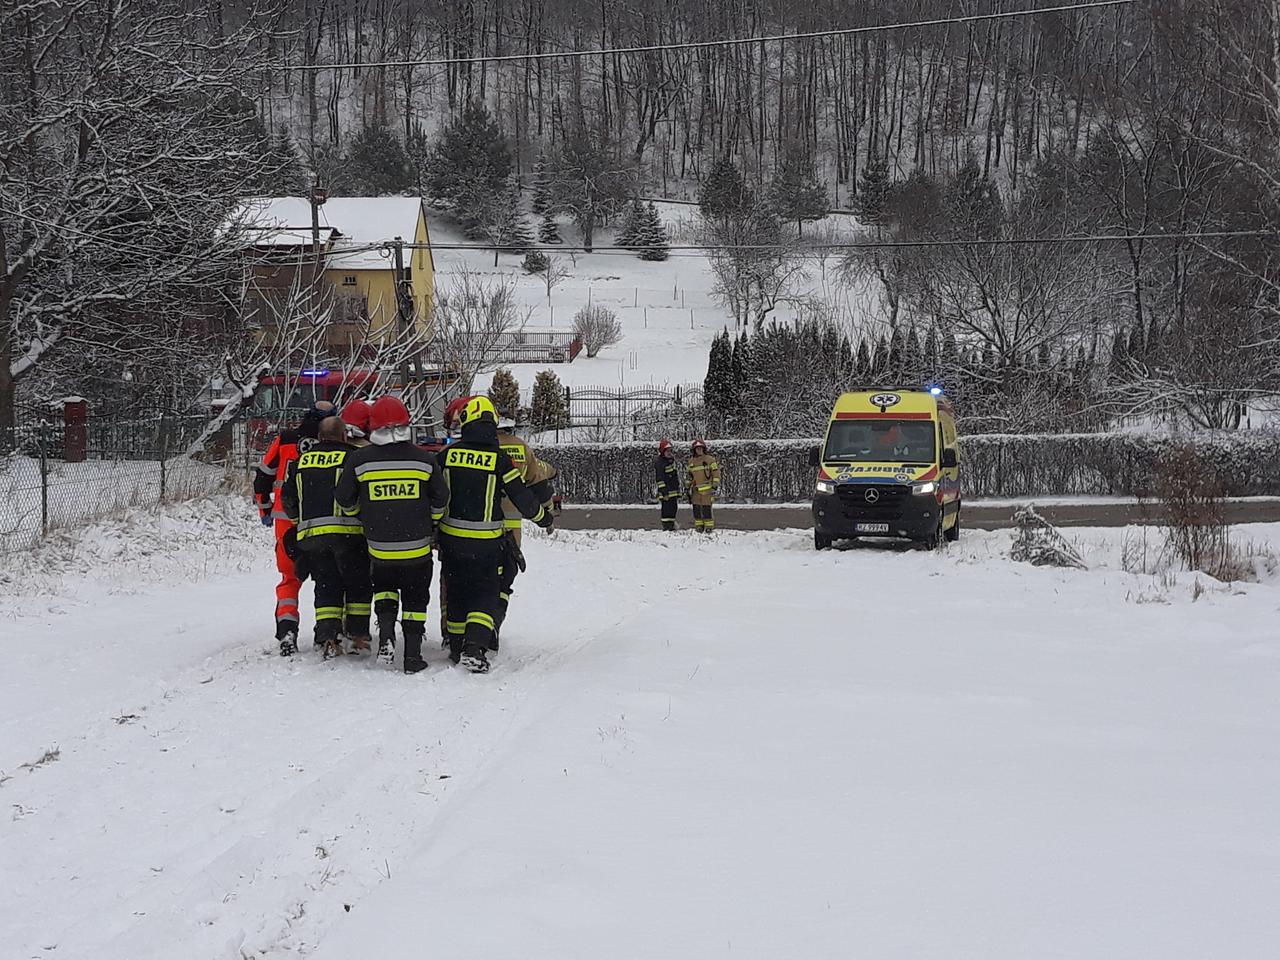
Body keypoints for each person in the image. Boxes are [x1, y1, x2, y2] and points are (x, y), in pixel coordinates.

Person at [437, 395, 553, 674]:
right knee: (485, 593)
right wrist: (543, 517)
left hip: (451, 541)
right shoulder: (499, 460)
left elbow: (433, 492)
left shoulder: (446, 456)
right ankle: (474, 648)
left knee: (456, 591)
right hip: (486, 543)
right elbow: (522, 497)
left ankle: (455, 645)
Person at [336, 396, 448, 674]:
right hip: (418, 548)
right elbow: (441, 498)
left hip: (379, 548)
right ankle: (412, 655)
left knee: (384, 591)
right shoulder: (424, 460)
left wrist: (363, 516)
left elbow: (344, 498)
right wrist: (430, 522)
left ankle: (386, 638)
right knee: (415, 598)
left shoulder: (359, 460)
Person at [281, 416, 371, 658]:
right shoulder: (354, 457)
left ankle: (328, 637)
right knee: (357, 585)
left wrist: (299, 523)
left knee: (326, 586)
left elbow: (288, 497)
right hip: (350, 534)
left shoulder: (301, 461)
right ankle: (358, 635)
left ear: (319, 438)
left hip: (313, 537)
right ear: (344, 436)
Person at [253, 400, 335, 655]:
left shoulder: (286, 439)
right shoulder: (335, 443)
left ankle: (287, 631)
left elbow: (263, 475)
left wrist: (264, 508)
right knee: (328, 578)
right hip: (322, 523)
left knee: (289, 579)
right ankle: (328, 633)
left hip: (286, 523)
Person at [686, 439, 721, 534]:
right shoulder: (691, 462)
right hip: (695, 490)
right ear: (694, 450)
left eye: (701, 448)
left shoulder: (710, 460)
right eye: (697, 449)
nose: (699, 450)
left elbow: (716, 473)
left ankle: (709, 526)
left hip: (707, 490)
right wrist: (687, 487)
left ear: (704, 449)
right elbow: (689, 476)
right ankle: (699, 526)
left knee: (706, 508)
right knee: (696, 509)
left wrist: (715, 485)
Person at [654, 438, 680, 531]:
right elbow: (660, 479)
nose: (669, 453)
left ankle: (671, 525)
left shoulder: (671, 461)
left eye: (670, 451)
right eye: (667, 451)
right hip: (666, 492)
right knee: (666, 510)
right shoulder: (660, 463)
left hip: (673, 491)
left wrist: (678, 490)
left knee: (673, 508)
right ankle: (667, 526)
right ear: (662, 451)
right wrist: (664, 492)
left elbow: (674, 477)